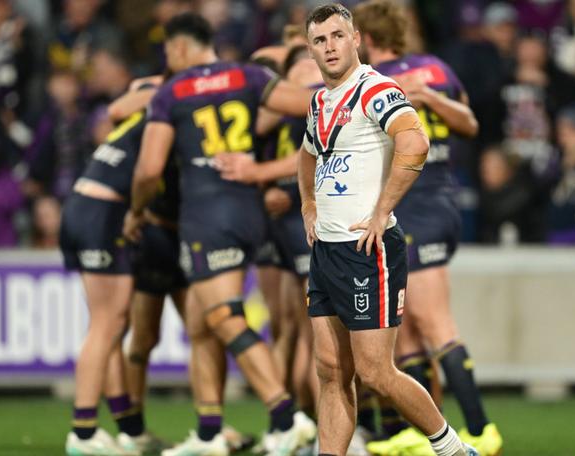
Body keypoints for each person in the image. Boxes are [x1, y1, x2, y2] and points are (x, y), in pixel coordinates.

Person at [124, 13, 316, 455]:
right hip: (249, 209)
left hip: (206, 215)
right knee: (201, 322)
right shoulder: (247, 75)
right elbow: (312, 105)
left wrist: (136, 210)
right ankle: (210, 433)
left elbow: (149, 170)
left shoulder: (171, 92)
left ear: (178, 48)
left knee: (223, 317)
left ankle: (285, 417)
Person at [297, 4, 477, 455]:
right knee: (331, 373)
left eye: (338, 36)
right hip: (327, 252)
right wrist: (307, 205)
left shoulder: (374, 88)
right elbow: (307, 154)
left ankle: (453, 448)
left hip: (366, 248)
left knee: (376, 372)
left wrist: (381, 212)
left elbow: (415, 142)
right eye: (320, 40)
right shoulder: (319, 101)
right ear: (311, 49)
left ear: (356, 38)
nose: (330, 47)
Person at [351, 2, 503, 455]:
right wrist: (435, 97)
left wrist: (426, 98)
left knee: (435, 324)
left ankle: (480, 429)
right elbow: (470, 122)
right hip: (426, 206)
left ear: (368, 40)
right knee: (410, 331)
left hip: (422, 205)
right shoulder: (436, 67)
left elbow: (470, 126)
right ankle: (412, 432)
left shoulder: (376, 81)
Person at [60, 86, 168, 456]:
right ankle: (84, 432)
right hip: (103, 212)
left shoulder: (141, 111)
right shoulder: (167, 113)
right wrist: (139, 213)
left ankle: (128, 427)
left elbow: (118, 106)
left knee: (111, 326)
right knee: (106, 325)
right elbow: (149, 174)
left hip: (82, 205)